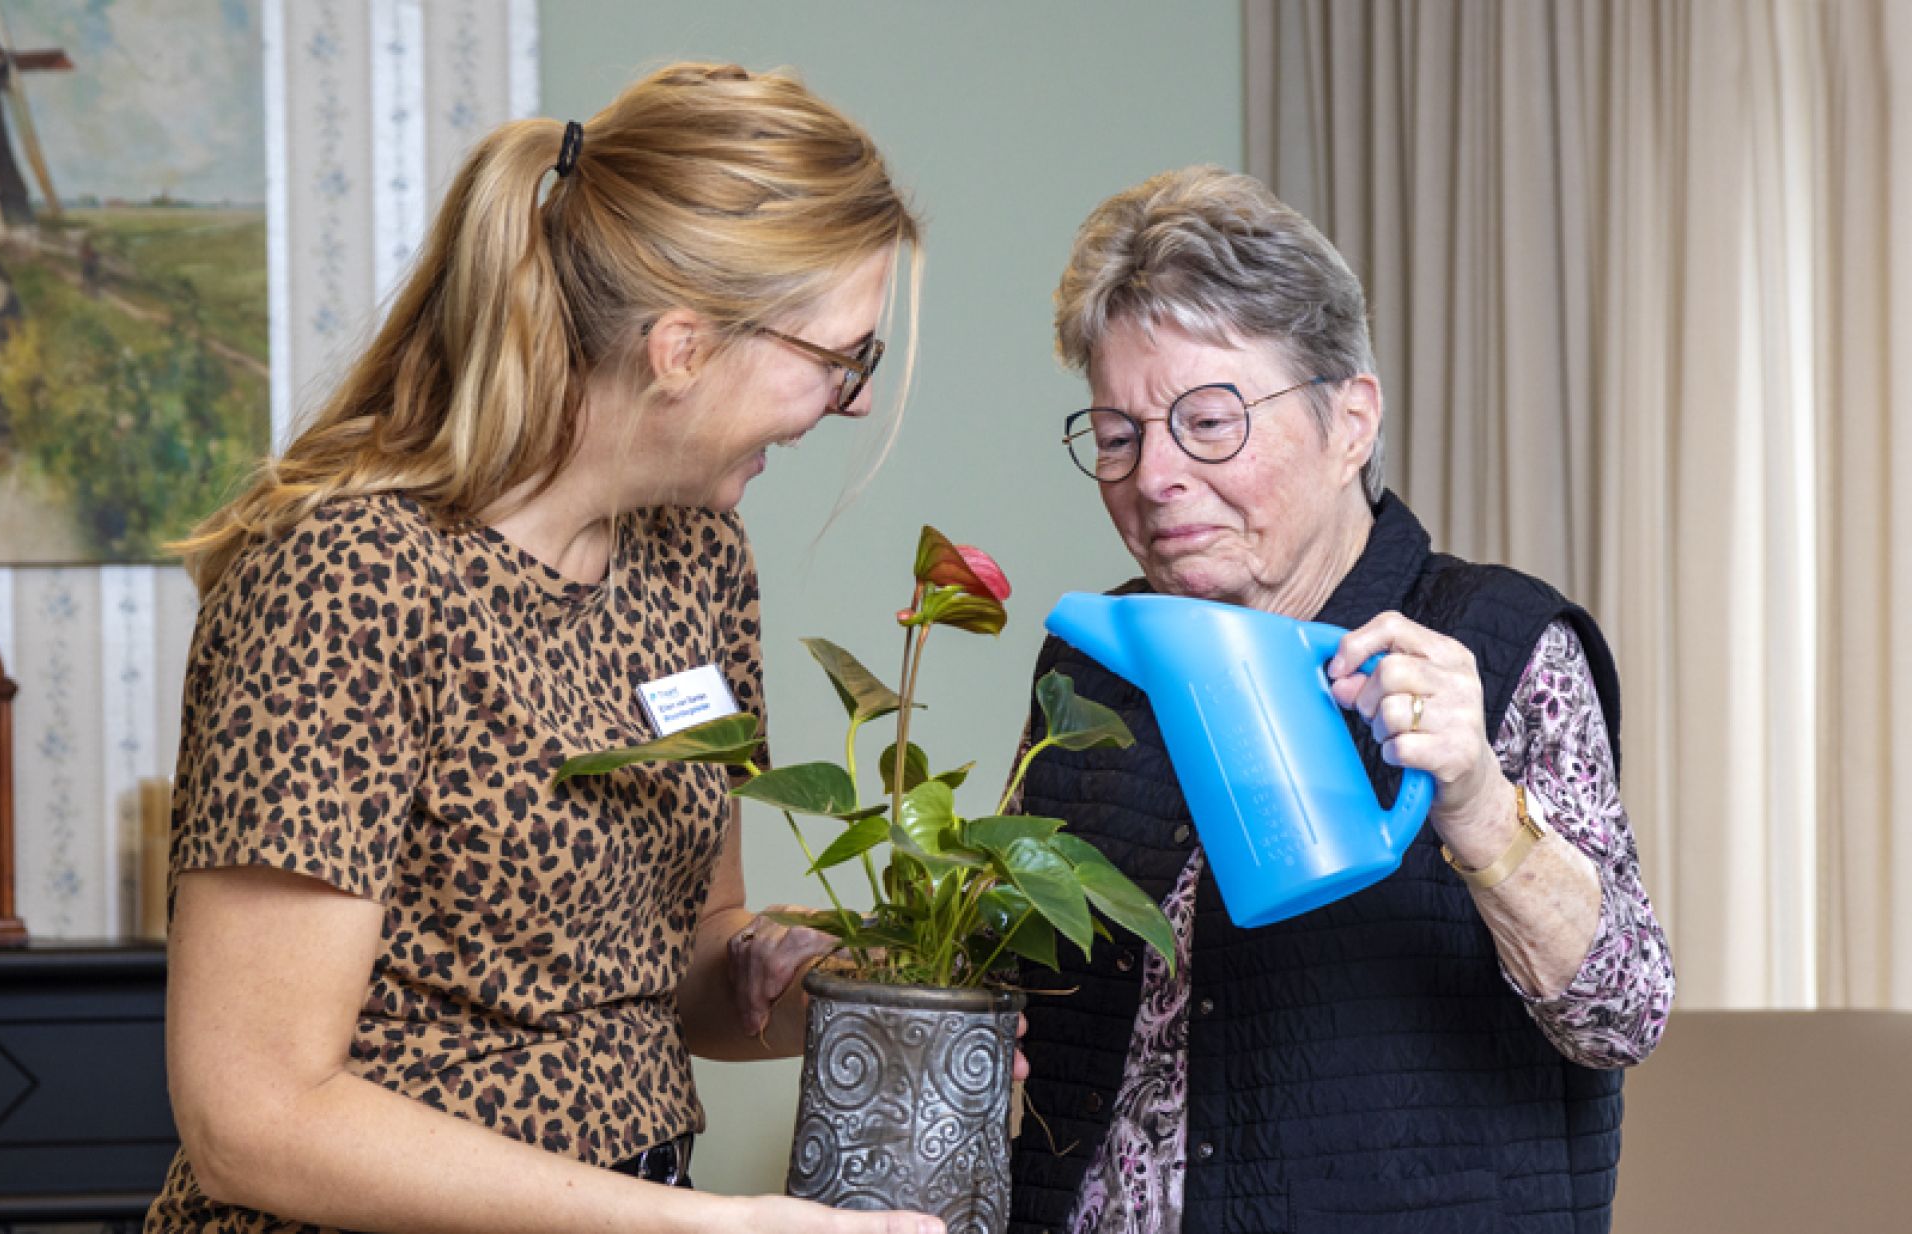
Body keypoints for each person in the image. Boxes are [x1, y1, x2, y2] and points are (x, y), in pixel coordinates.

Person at [153, 62, 943, 1234]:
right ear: (681, 347)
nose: (854, 403)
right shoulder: (351, 580)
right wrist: (710, 1226)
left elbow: (676, 978)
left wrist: (818, 987)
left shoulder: (698, 559)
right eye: (840, 359)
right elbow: (253, 1115)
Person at [1008, 166, 1674, 1234]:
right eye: (1120, 434)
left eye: (1209, 421)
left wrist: (1474, 798)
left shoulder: (1496, 644)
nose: (1155, 476)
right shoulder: (1096, 662)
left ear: (1350, 417)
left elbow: (1620, 1010)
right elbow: (1027, 972)